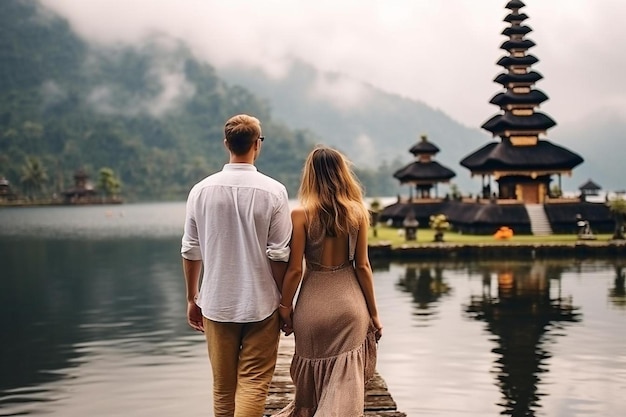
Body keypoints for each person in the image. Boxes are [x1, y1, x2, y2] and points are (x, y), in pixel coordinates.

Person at [181, 114, 292, 417]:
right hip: (262, 303)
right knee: (254, 383)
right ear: (258, 144)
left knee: (222, 387)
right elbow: (280, 254)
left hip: (216, 303)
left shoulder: (201, 191)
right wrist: (285, 302)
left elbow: (191, 249)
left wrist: (192, 298)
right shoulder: (274, 191)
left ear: (226, 144)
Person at [274, 146, 383, 417]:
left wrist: (285, 307)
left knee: (310, 386)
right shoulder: (358, 212)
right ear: (342, 173)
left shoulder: (300, 214)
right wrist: (374, 314)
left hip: (312, 308)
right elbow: (363, 266)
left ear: (310, 175)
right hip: (350, 307)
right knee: (346, 381)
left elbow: (295, 270)